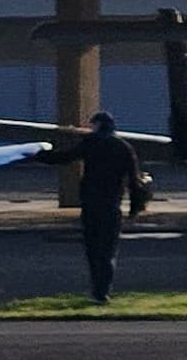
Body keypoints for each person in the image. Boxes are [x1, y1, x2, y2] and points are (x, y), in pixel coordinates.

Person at [31, 112, 150, 304]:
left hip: (91, 204)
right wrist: (135, 209)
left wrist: (38, 156)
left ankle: (96, 290)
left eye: (92, 125)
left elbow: (65, 157)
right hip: (112, 205)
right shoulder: (124, 147)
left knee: (93, 250)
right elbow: (135, 182)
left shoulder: (91, 143)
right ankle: (103, 292)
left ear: (98, 125)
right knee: (108, 252)